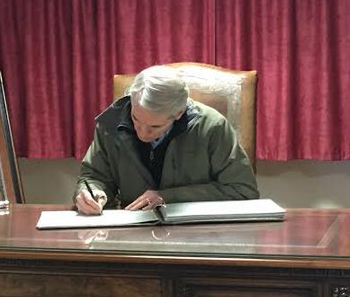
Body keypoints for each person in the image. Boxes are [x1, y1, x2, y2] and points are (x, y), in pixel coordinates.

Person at [74, 65, 258, 214]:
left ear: (179, 113)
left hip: (198, 233)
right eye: (135, 119)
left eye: (155, 127)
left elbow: (242, 191)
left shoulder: (213, 127)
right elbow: (94, 177)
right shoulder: (111, 124)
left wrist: (168, 197)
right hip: (133, 229)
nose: (142, 133)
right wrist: (92, 193)